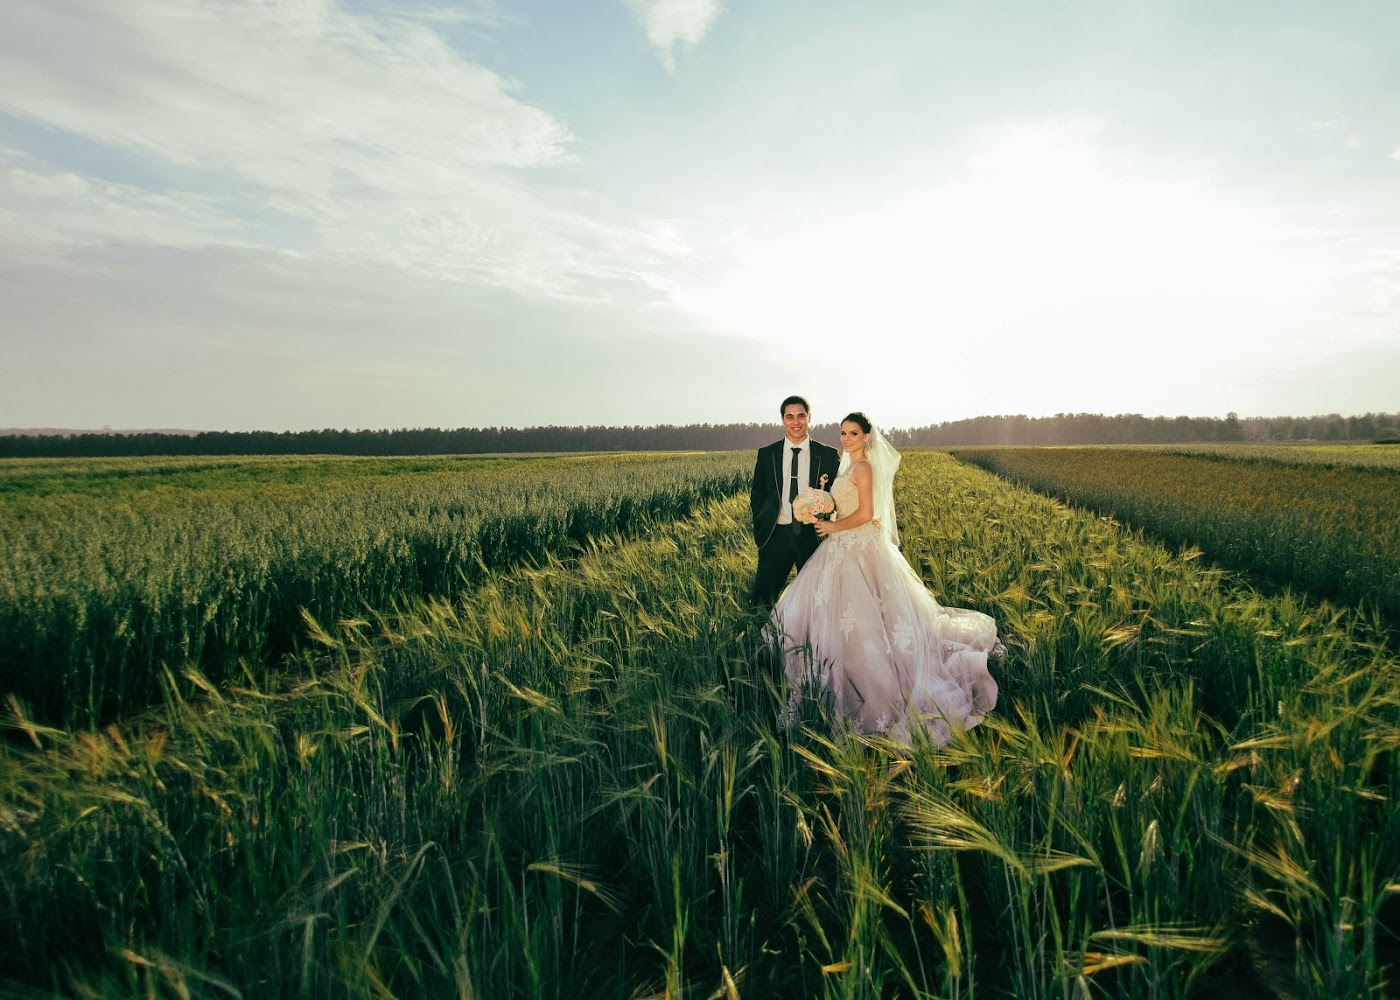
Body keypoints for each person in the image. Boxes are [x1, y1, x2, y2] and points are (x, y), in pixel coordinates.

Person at [768, 412, 1002, 745]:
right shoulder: (846, 466)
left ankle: (871, 687)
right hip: (841, 545)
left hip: (858, 546)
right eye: (843, 434)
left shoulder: (863, 468)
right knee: (833, 616)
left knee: (866, 618)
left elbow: (866, 513)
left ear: (866, 437)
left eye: (853, 434)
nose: (846, 439)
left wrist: (833, 526)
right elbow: (846, 507)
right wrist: (822, 508)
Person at [749, 396, 843, 609]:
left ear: (809, 418)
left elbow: (838, 493)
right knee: (761, 601)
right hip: (776, 536)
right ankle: (759, 640)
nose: (796, 422)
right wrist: (763, 525)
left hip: (814, 537)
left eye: (801, 416)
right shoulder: (767, 454)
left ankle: (813, 641)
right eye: (789, 417)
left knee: (818, 601)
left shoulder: (826, 454)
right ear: (782, 420)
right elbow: (757, 494)